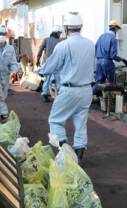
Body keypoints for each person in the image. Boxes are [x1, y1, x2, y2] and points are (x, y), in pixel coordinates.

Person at [37, 12, 95, 165]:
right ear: (80, 27)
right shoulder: (90, 44)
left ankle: (65, 154)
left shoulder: (63, 45)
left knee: (55, 120)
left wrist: (39, 71)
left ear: (66, 28)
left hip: (70, 90)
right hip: (86, 90)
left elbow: (50, 66)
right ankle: (79, 157)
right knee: (81, 123)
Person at [92, 19, 127, 94]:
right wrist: (122, 59)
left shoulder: (101, 36)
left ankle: (87, 97)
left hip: (98, 62)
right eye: (118, 29)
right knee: (112, 84)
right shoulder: (113, 39)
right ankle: (115, 102)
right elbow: (113, 56)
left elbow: (95, 48)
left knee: (99, 84)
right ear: (115, 28)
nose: (117, 31)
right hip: (107, 62)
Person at [0, 25, 18, 122]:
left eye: (4, 34)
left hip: (5, 77)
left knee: (2, 96)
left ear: (6, 35)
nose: (2, 36)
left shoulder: (10, 49)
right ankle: (4, 115)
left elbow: (13, 62)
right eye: (0, 33)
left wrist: (14, 71)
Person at [36, 25, 62, 103]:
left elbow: (40, 48)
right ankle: (59, 97)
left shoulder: (46, 40)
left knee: (47, 80)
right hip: (57, 63)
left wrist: (38, 58)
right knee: (58, 81)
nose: (60, 35)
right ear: (57, 33)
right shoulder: (60, 41)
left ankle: (45, 95)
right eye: (59, 33)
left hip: (48, 63)